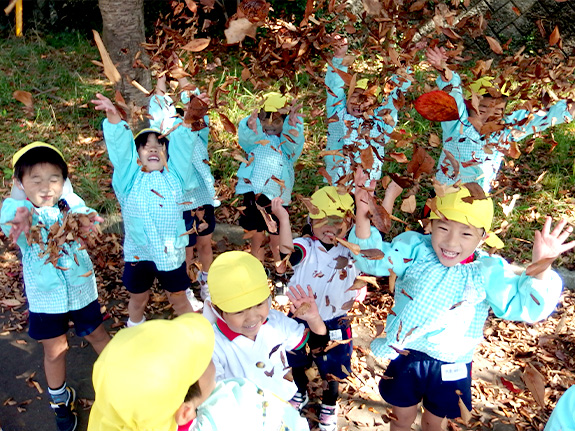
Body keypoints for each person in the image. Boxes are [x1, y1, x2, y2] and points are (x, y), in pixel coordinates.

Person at [349, 179, 575, 431]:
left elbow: (525, 306)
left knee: (434, 423)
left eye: (466, 233)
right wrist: (362, 216)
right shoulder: (415, 251)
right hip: (406, 353)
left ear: (483, 237)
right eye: (443, 228)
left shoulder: (487, 272)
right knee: (400, 418)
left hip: (452, 363)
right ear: (430, 225)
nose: (451, 242)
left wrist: (541, 266)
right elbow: (371, 261)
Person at [0, 142, 110, 431]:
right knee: (55, 349)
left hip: (80, 290)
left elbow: (80, 207)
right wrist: (19, 212)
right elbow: (10, 213)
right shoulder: (25, 220)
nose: (46, 186)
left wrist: (88, 220)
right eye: (35, 179)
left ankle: (120, 378)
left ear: (64, 181)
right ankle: (60, 402)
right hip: (46, 299)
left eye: (54, 178)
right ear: (20, 184)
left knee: (98, 334)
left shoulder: (69, 209)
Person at [87, 313, 310, 431]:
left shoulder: (115, 414)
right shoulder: (234, 406)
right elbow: (290, 422)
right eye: (203, 357)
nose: (208, 355)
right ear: (185, 412)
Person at [92, 93, 201, 326]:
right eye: (145, 146)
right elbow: (121, 153)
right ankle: (135, 329)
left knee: (178, 297)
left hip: (170, 254)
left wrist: (191, 118)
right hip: (138, 252)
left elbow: (184, 147)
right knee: (138, 298)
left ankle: (196, 334)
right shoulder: (128, 180)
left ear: (167, 154)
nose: (153, 149)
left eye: (159, 144)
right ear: (137, 155)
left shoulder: (176, 178)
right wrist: (113, 118)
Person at [272, 187, 365, 431]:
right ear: (310, 222)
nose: (329, 228)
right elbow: (286, 254)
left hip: (336, 320)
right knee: (297, 360)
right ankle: (300, 391)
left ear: (349, 223)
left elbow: (369, 249)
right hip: (300, 318)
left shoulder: (353, 250)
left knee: (333, 367)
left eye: (336, 221)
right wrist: (283, 219)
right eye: (321, 220)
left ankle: (329, 406)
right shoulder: (307, 245)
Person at [427, 46, 575, 192]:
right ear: (468, 107)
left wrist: (569, 108)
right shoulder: (457, 125)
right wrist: (443, 69)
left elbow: (539, 118)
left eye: (498, 112)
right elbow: (453, 94)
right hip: (445, 195)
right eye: (482, 110)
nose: (489, 117)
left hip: (477, 201)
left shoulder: (505, 132)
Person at [204, 251, 329, 405]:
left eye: (259, 304)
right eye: (239, 311)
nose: (252, 317)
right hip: (244, 414)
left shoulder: (275, 322)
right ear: (217, 310)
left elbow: (315, 346)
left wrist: (314, 319)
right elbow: (213, 394)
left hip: (283, 403)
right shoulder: (212, 344)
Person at [149, 72, 216, 304]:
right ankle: (186, 289)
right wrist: (160, 79)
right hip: (179, 202)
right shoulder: (166, 134)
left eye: (187, 115)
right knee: (186, 250)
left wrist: (180, 74)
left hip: (202, 198)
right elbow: (157, 109)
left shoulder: (199, 131)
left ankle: (207, 284)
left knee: (205, 244)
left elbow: (197, 102)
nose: (184, 120)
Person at [324, 34, 409, 212]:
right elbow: (334, 86)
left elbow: (393, 100)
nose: (359, 103)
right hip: (335, 185)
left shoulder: (380, 123)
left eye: (367, 100)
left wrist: (403, 68)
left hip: (364, 190)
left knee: (360, 229)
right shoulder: (337, 114)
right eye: (355, 96)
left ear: (375, 105)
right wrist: (339, 58)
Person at [235, 92, 304, 275]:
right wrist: (251, 126)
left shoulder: (285, 145)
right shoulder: (256, 140)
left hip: (278, 198)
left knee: (276, 240)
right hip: (254, 194)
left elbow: (294, 143)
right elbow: (247, 138)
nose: (271, 125)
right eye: (266, 120)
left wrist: (292, 125)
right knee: (257, 237)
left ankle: (280, 274)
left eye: (278, 120)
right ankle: (258, 273)